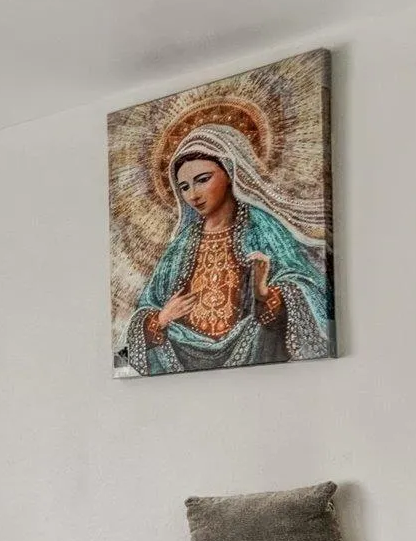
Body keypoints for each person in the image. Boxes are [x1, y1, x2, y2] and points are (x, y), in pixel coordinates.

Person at [121, 122, 331, 375]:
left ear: (230, 172)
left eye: (203, 180)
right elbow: (149, 304)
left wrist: (265, 294)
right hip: (181, 354)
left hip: (259, 350)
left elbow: (305, 284)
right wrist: (162, 318)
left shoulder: (262, 225)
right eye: (184, 187)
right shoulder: (183, 242)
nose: (193, 195)